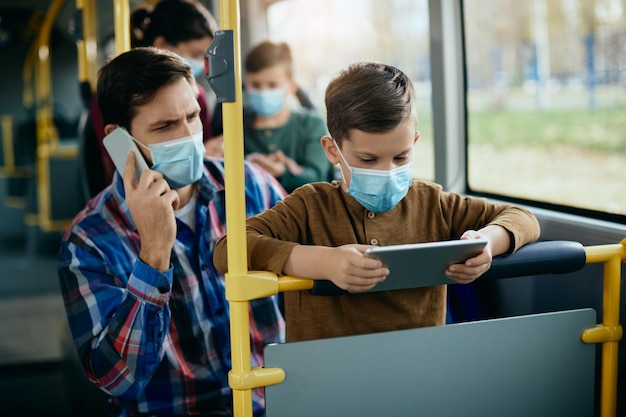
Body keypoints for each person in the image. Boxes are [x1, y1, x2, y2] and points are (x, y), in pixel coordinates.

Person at [213, 61, 541, 343]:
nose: (388, 172)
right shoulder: (309, 206)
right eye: (368, 160)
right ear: (332, 151)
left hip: (419, 370)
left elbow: (522, 217)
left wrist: (487, 243)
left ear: (414, 141)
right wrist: (323, 263)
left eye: (401, 157)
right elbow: (228, 249)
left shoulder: (432, 202)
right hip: (325, 378)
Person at [58, 47, 286, 417]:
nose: (188, 136)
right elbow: (117, 379)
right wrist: (153, 253)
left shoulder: (253, 187)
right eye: (165, 126)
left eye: (193, 116)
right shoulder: (89, 240)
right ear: (119, 140)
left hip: (274, 401)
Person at [90, 0, 222, 190]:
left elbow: (203, 145)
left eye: (192, 116)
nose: (202, 63)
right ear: (162, 45)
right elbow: (116, 161)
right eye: (165, 125)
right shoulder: (114, 96)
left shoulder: (196, 94)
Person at [241, 40, 331, 193]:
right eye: (256, 85)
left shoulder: (311, 124)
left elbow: (317, 176)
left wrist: (282, 172)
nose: (263, 92)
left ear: (291, 86)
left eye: (272, 85)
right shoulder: (236, 128)